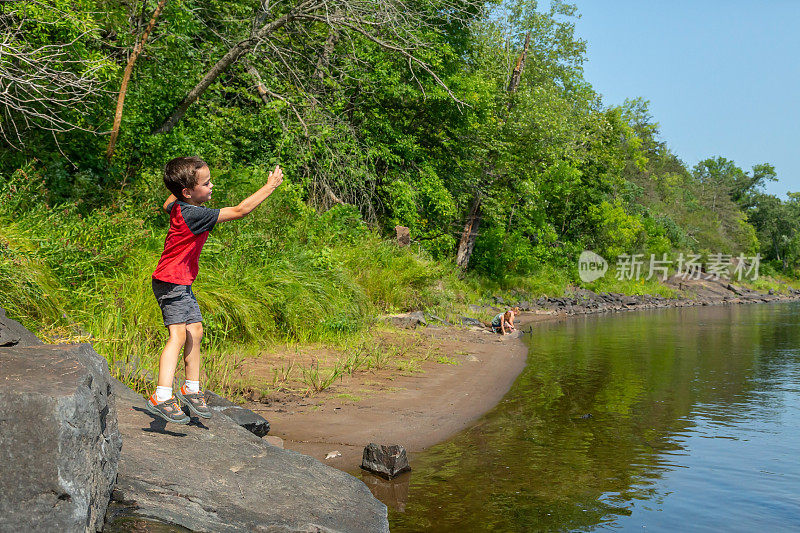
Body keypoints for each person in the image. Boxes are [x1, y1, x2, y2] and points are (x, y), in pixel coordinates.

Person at [146, 156, 283, 424]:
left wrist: (179, 185)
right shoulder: (194, 213)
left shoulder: (178, 204)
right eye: (206, 183)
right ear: (188, 192)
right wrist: (270, 186)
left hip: (180, 281)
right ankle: (161, 395)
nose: (212, 186)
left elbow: (168, 202)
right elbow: (241, 210)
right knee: (177, 336)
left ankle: (191, 389)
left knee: (194, 331)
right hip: (171, 281)